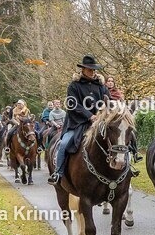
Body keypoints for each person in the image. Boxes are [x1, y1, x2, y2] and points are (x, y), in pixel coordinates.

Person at [47, 55, 110, 185]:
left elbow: (107, 101)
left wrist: (102, 113)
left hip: (98, 122)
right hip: (77, 123)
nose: (92, 72)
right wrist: (89, 116)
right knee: (64, 144)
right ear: (83, 69)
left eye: (93, 70)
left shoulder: (101, 86)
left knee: (117, 139)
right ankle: (58, 173)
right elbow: (73, 104)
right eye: (89, 69)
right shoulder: (74, 86)